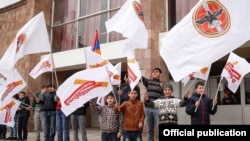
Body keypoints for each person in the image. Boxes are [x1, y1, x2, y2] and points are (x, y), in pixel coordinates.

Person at [141, 67, 163, 141]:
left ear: (160, 74)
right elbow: (139, 77)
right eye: (153, 72)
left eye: (157, 72)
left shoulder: (162, 84)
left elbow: (165, 95)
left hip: (157, 109)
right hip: (147, 108)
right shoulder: (148, 82)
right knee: (150, 129)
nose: (155, 73)